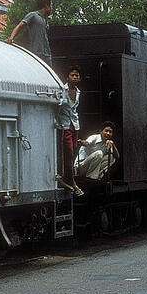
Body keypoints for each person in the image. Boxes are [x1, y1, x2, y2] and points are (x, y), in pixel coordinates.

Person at [57, 65, 86, 197]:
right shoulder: (62, 89)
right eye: (72, 75)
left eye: (77, 75)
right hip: (65, 124)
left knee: (73, 151)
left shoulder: (78, 91)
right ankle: (70, 180)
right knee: (67, 151)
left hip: (75, 124)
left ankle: (68, 177)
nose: (75, 77)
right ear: (68, 77)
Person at [5, 0, 53, 64]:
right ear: (46, 5)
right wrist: (11, 38)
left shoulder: (45, 20)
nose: (51, 8)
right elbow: (19, 26)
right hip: (36, 53)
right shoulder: (33, 15)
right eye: (51, 5)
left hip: (47, 55)